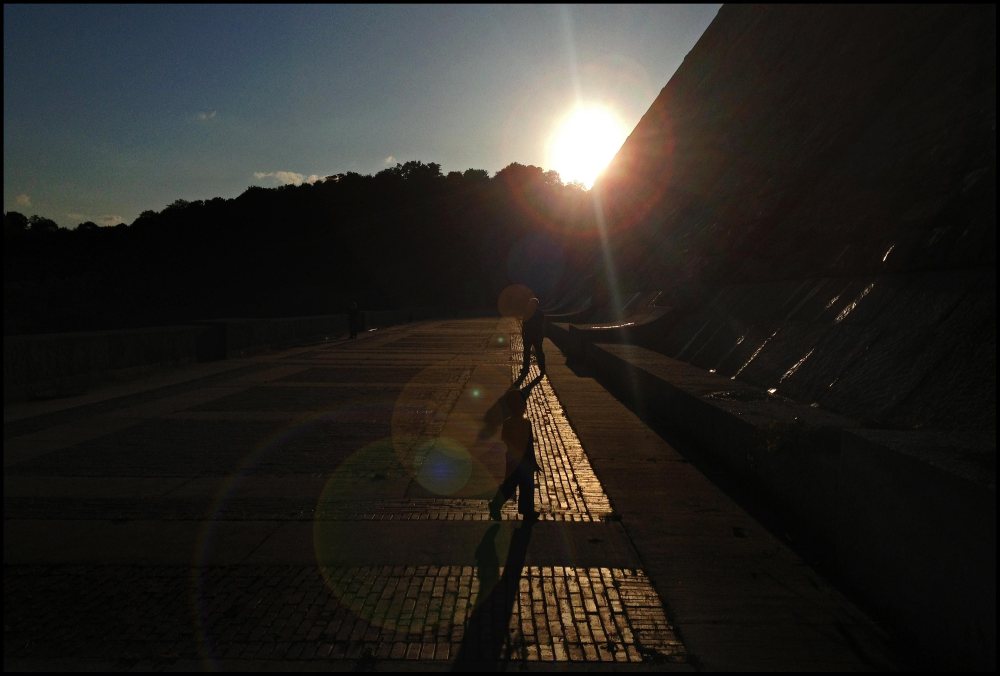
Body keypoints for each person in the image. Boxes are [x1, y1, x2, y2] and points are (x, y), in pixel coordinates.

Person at [488, 388, 541, 521]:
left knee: (520, 485)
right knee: (515, 485)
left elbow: (509, 440)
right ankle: (498, 505)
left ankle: (524, 510)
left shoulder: (512, 423)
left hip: (518, 459)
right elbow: (527, 443)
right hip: (518, 459)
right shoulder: (521, 423)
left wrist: (532, 461)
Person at [514, 297, 545, 386]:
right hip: (533, 335)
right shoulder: (539, 313)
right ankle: (539, 369)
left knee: (532, 352)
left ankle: (530, 368)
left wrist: (523, 333)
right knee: (534, 352)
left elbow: (525, 323)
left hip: (532, 335)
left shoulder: (530, 312)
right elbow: (524, 323)